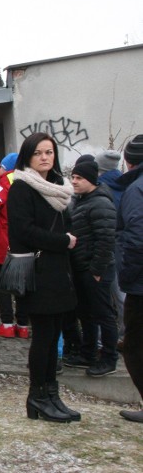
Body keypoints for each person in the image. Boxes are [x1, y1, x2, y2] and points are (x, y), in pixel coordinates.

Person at [7, 132, 79, 423]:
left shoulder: (58, 188)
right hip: (37, 272)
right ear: (28, 156)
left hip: (58, 271)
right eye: (38, 153)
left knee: (53, 335)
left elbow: (65, 226)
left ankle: (51, 394)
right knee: (43, 337)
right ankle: (37, 396)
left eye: (49, 152)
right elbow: (23, 231)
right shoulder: (22, 187)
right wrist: (63, 241)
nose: (45, 157)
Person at [65, 160, 119, 377]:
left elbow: (106, 240)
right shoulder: (81, 200)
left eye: (79, 178)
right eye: (74, 177)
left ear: (92, 180)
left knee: (103, 314)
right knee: (85, 313)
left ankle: (109, 358)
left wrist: (96, 270)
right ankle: (87, 352)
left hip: (95, 270)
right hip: (82, 267)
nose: (74, 182)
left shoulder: (101, 203)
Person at [114, 134, 143, 422]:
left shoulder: (135, 191)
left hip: (140, 282)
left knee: (134, 345)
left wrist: (127, 277)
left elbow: (136, 238)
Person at [0, 152, 29, 339]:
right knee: (21, 287)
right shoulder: (29, 186)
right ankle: (23, 325)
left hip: (2, 245)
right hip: (25, 244)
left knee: (2, 286)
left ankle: (7, 324)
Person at [96, 149, 126, 346]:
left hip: (111, 243)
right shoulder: (127, 183)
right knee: (123, 291)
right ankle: (126, 331)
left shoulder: (102, 188)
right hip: (125, 242)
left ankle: (105, 340)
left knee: (110, 292)